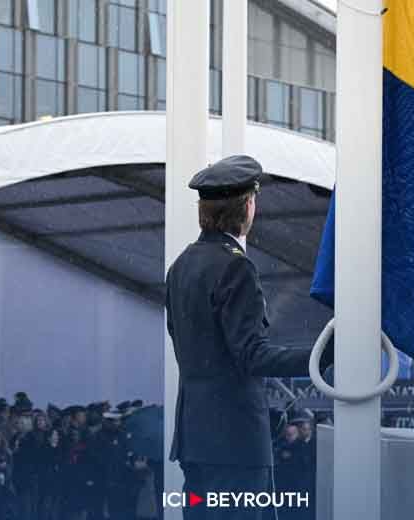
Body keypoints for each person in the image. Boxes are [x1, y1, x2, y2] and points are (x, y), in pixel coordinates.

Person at [165, 155, 333, 520]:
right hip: (236, 444)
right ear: (248, 206)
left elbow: (185, 344)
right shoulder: (235, 266)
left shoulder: (180, 266)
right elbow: (252, 355)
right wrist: (324, 354)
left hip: (195, 439)